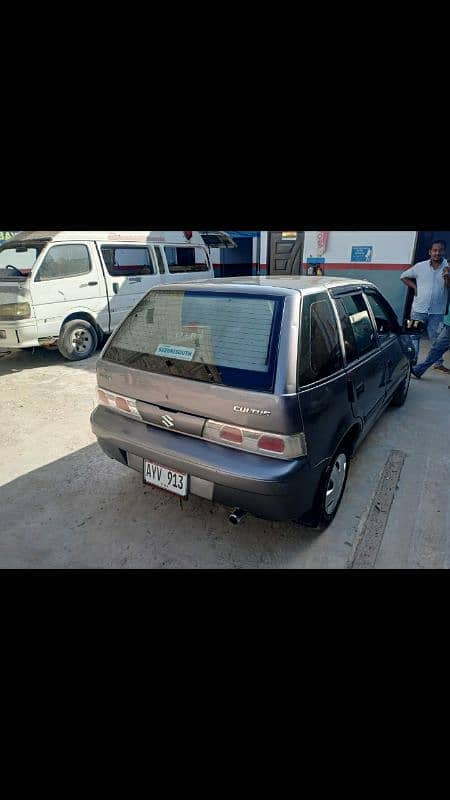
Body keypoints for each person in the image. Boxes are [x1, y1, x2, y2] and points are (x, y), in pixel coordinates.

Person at [400, 240, 450, 373]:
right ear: (430, 252)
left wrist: (447, 277)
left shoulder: (448, 267)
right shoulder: (419, 266)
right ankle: (412, 361)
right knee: (413, 336)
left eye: (440, 250)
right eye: (434, 250)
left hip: (437, 312)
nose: (437, 253)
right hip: (418, 309)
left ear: (444, 252)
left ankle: (438, 363)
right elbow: (403, 277)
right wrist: (414, 287)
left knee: (437, 339)